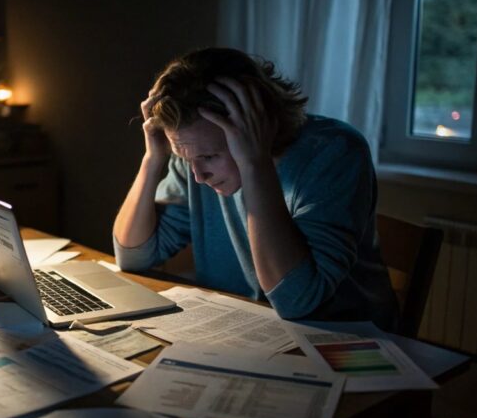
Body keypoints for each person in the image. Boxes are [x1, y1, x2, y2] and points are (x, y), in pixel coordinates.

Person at [112, 48, 399, 331]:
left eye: (210, 157)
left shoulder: (334, 153)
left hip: (344, 339)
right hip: (249, 327)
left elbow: (296, 301)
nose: (198, 176)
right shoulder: (194, 158)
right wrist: (154, 158)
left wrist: (254, 162)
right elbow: (134, 256)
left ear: (258, 125)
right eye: (186, 159)